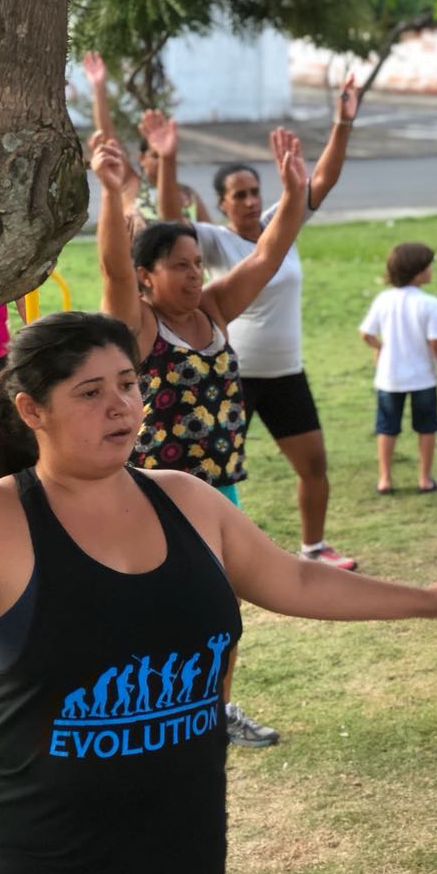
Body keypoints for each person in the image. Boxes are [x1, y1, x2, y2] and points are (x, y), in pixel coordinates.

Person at [0, 310, 437, 874]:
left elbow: (296, 580)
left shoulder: (186, 500)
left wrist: (428, 601)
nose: (120, 406)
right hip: (40, 850)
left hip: (181, 834)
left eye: (128, 383)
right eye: (89, 393)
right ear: (32, 410)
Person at [93, 127, 306, 748]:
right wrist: (110, 193)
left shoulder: (213, 308)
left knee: (222, 608)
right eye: (178, 266)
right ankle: (147, 711)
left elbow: (267, 255)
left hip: (215, 490)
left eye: (196, 264)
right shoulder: (138, 324)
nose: (192, 275)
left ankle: (215, 710)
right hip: (153, 492)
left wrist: (294, 193)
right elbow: (111, 266)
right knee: (150, 608)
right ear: (147, 276)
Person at [157, 73, 361, 570]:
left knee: (314, 465)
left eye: (254, 192)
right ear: (222, 204)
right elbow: (168, 223)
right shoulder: (212, 240)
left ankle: (314, 548)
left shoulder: (281, 224)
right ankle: (204, 553)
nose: (249, 201)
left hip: (286, 371)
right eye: (239, 195)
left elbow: (323, 180)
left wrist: (342, 123)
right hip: (235, 376)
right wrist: (167, 160)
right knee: (213, 470)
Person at [82, 51, 213, 226]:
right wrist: (98, 87)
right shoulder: (132, 186)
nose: (162, 161)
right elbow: (108, 138)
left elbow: (212, 236)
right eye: (155, 156)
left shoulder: (188, 195)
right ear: (142, 159)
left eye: (167, 155)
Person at [360, 242, 437, 494]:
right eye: (429, 266)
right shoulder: (429, 303)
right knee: (426, 427)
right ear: (418, 272)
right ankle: (424, 479)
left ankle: (385, 479)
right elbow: (435, 344)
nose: (431, 270)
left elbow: (366, 334)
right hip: (423, 378)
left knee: (387, 427)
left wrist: (380, 348)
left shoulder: (384, 299)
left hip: (389, 378)